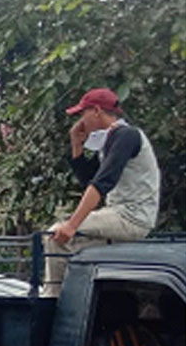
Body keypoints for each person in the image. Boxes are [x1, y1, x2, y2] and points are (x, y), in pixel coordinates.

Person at [43, 88, 160, 297]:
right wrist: (76, 145)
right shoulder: (112, 139)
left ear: (96, 111)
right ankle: (78, 295)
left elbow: (101, 183)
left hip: (130, 217)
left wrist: (71, 225)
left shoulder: (127, 136)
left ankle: (52, 299)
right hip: (122, 215)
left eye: (82, 113)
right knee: (69, 245)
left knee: (55, 235)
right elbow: (89, 179)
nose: (80, 119)